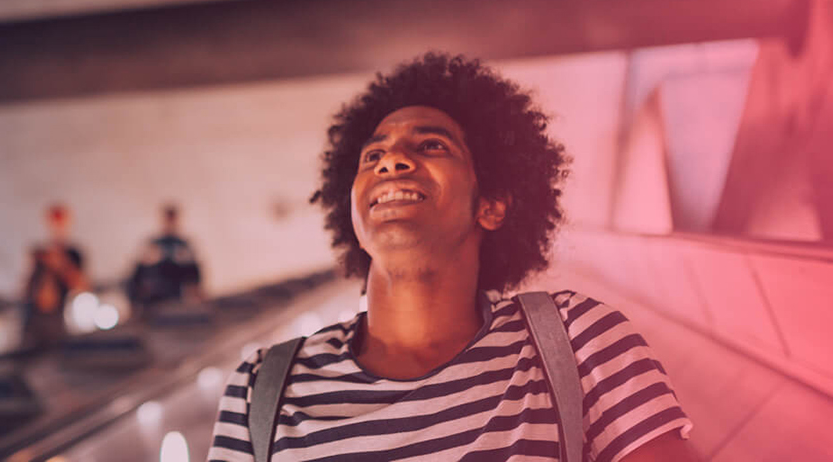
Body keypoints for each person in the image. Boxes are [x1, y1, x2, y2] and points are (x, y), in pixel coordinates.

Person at [208, 53, 697, 461]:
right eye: (371, 156)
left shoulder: (579, 341)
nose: (391, 161)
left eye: (431, 145)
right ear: (353, 214)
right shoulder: (262, 388)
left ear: (491, 206)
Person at [22, 203, 88, 349]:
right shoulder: (40, 253)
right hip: (34, 321)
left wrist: (60, 265)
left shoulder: (73, 254)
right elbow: (26, 288)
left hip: (60, 320)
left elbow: (82, 286)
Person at [126, 204, 205, 318]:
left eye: (172, 219)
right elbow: (139, 271)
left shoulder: (183, 245)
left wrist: (195, 296)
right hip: (154, 299)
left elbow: (193, 273)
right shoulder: (154, 243)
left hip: (176, 296)